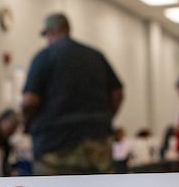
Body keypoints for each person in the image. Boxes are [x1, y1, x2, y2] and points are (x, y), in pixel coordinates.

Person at [22, 12, 124, 175]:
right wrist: (106, 118)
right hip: (98, 145)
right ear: (68, 29)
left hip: (55, 146)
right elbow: (117, 94)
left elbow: (30, 101)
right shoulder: (96, 56)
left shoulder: (45, 56)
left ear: (51, 32)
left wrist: (27, 124)